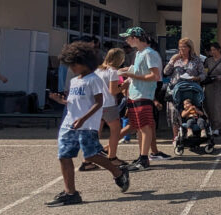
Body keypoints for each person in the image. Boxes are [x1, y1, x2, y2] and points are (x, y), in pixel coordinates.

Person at [45, 42, 130, 206]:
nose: (72, 68)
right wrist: (60, 101)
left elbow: (99, 102)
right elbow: (72, 103)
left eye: (74, 64)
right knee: (64, 156)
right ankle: (71, 193)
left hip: (86, 125)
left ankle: (118, 172)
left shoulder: (94, 79)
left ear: (85, 62)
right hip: (69, 123)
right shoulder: (75, 81)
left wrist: (83, 118)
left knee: (91, 155)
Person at [117, 27, 162, 171]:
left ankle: (144, 159)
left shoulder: (149, 53)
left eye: (128, 37)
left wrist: (132, 76)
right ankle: (141, 156)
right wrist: (127, 77)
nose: (126, 40)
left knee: (145, 126)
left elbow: (154, 76)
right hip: (135, 94)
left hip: (144, 94)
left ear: (135, 38)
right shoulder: (139, 54)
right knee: (139, 127)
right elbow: (137, 71)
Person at [85, 48, 127, 170]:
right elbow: (113, 91)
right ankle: (112, 157)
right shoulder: (112, 71)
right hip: (108, 104)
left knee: (95, 132)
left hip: (95, 104)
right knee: (115, 130)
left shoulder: (97, 70)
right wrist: (125, 84)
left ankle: (87, 160)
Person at [163, 37, 206, 145]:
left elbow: (203, 75)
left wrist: (195, 78)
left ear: (189, 48)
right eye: (180, 47)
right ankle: (176, 137)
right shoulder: (175, 59)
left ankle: (190, 134)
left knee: (188, 111)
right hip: (175, 89)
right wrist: (172, 60)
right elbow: (166, 72)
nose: (181, 49)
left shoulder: (196, 60)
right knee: (174, 113)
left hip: (190, 89)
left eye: (184, 47)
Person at [202, 42, 221, 135]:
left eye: (214, 50)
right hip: (209, 85)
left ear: (219, 50)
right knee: (208, 106)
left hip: (219, 86)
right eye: (211, 50)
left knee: (217, 107)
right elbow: (204, 72)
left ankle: (217, 127)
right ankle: (210, 125)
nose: (212, 52)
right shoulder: (208, 61)